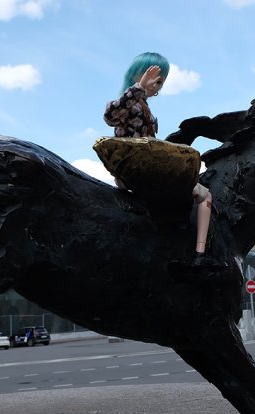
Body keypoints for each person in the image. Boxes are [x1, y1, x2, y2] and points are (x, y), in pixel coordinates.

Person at [103, 52, 218, 267]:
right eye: (153, 76)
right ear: (136, 74)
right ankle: (199, 255)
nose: (157, 84)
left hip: (146, 168)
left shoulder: (146, 109)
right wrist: (138, 88)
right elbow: (110, 115)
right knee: (203, 195)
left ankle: (198, 250)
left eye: (161, 80)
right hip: (137, 171)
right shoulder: (128, 105)